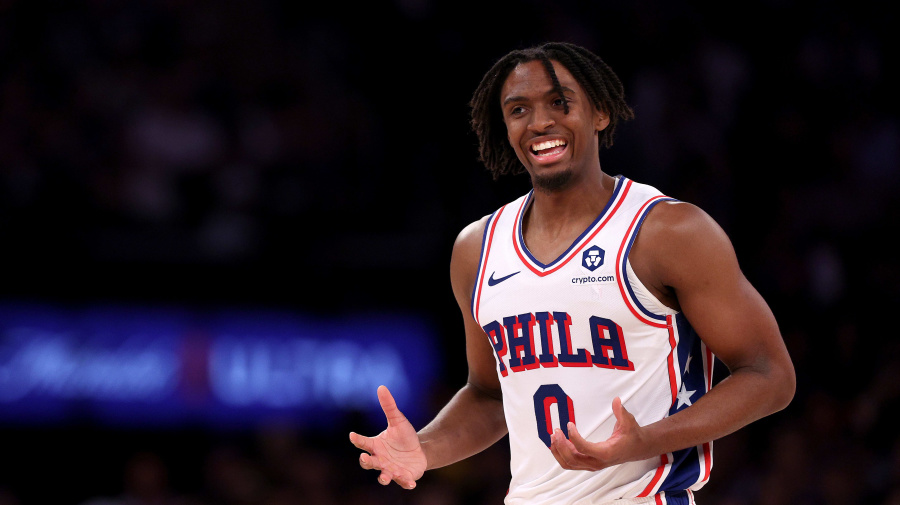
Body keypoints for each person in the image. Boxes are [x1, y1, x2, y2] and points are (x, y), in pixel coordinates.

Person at [349, 42, 795, 504]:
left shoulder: (667, 231)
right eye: (519, 109)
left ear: (600, 113)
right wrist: (424, 447)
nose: (540, 122)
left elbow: (769, 374)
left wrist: (648, 440)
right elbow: (489, 394)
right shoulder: (476, 248)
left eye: (560, 103)